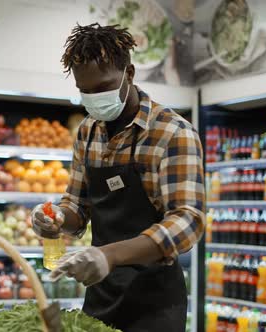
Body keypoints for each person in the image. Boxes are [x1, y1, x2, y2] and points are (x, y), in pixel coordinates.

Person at [31, 23, 205, 332]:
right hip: (100, 293)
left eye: (104, 88)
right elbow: (77, 207)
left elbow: (187, 221)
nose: (95, 98)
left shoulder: (172, 132)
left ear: (130, 73)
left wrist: (109, 255)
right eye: (85, 91)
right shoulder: (87, 131)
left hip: (155, 301)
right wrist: (57, 218)